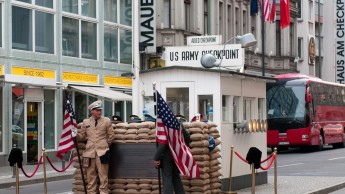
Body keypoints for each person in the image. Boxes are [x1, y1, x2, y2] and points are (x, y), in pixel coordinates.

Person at [74, 100, 114, 194]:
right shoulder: (86, 121)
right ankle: (91, 192)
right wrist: (76, 135)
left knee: (103, 176)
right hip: (90, 153)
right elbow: (83, 137)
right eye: (97, 110)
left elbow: (111, 136)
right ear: (92, 111)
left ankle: (103, 192)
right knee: (90, 176)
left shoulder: (106, 121)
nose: (99, 112)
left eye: (100, 110)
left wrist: (104, 145)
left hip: (103, 152)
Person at [153, 118, 190, 194]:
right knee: (176, 177)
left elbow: (162, 145)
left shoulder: (162, 125)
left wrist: (156, 158)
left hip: (166, 155)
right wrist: (182, 149)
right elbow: (187, 137)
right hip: (177, 154)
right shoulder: (177, 123)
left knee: (167, 178)